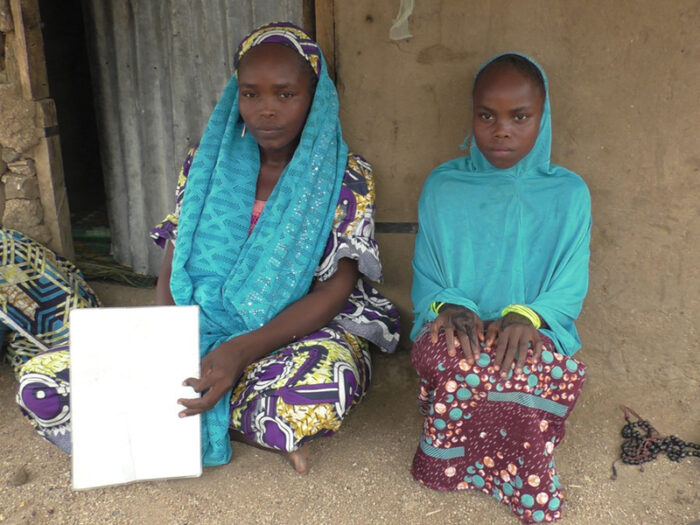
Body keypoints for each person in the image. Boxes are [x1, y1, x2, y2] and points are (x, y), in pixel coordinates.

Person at [151, 22, 399, 473]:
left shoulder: (348, 178)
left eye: (285, 95)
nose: (266, 110)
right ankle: (240, 410)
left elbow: (335, 290)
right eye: (251, 94)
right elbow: (175, 251)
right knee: (49, 383)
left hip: (295, 329)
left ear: (315, 98)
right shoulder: (204, 164)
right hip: (199, 318)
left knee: (321, 387)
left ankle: (221, 400)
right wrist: (170, 334)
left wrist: (241, 351)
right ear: (235, 96)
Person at [409, 53, 591, 523]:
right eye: (487, 115)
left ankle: (526, 482)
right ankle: (448, 468)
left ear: (542, 117)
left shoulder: (569, 194)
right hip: (459, 325)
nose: (501, 130)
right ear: (473, 115)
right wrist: (451, 306)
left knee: (525, 369)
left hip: (533, 326)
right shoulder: (443, 186)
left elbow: (569, 286)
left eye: (520, 116)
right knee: (458, 360)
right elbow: (427, 276)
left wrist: (525, 315)